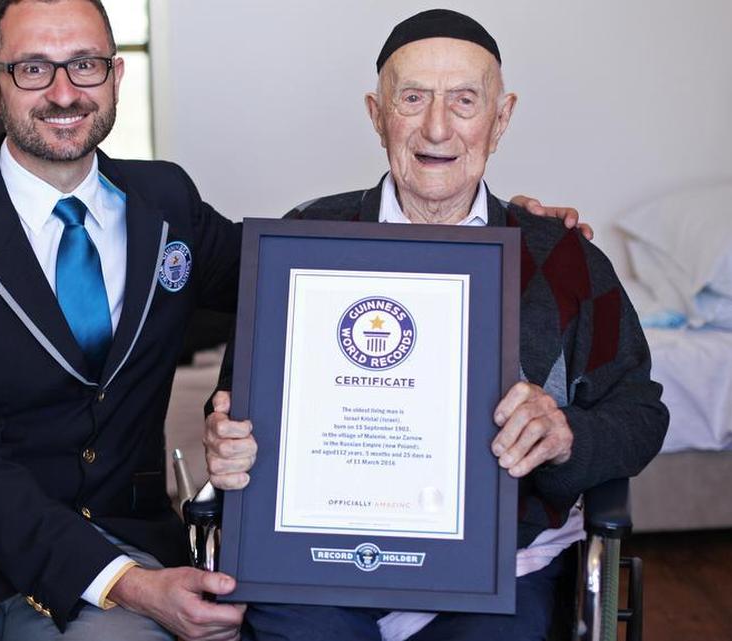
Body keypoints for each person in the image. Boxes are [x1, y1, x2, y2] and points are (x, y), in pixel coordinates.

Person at [0, 2, 595, 639]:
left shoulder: (166, 203)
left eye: (85, 64)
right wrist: (134, 584)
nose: (64, 91)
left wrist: (494, 232)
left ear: (113, 77)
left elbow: (310, 268)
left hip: (120, 533)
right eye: (33, 68)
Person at [202, 9, 668, 641]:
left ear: (500, 120)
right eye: (413, 98)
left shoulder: (562, 259)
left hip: (504, 572)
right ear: (377, 114)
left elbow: (640, 412)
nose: (437, 127)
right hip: (319, 569)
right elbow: (234, 398)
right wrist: (229, 436)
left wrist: (566, 438)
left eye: (465, 101)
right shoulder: (307, 238)